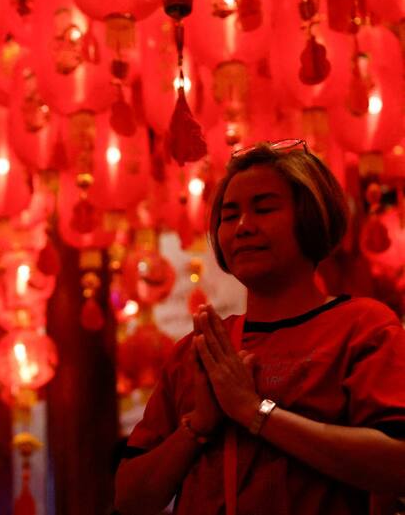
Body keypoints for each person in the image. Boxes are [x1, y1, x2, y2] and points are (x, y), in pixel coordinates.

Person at [115, 139, 405, 514]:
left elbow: (397, 465)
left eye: (264, 209)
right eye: (229, 215)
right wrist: (197, 426)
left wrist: (255, 411)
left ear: (311, 218)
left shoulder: (363, 326)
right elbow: (129, 499)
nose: (243, 227)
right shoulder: (198, 350)